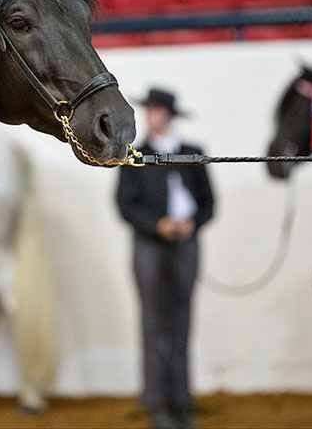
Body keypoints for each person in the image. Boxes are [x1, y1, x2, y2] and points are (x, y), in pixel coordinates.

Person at [116, 88, 214, 429]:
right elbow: (125, 205)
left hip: (186, 244)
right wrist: (158, 224)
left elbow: (208, 203)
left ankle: (181, 399)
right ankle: (157, 400)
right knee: (154, 322)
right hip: (149, 246)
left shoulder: (193, 154)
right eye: (150, 110)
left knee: (182, 321)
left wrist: (191, 224)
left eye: (156, 110)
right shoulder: (135, 156)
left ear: (169, 115)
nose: (150, 116)